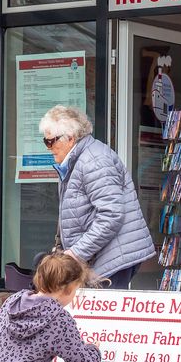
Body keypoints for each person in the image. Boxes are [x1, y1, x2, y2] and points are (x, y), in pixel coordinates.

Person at [40, 105, 155, 289]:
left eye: (51, 142)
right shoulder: (75, 161)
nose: (49, 148)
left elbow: (111, 216)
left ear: (70, 138)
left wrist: (76, 253)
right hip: (100, 255)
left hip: (113, 257)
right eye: (45, 141)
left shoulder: (94, 161)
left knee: (106, 316)